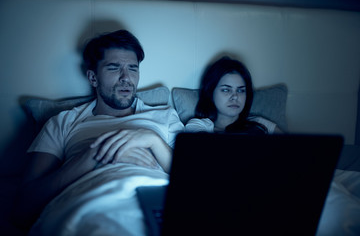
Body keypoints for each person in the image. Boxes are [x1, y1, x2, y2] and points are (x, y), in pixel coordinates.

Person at [12, 29, 184, 230]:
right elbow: (22, 210)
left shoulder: (165, 116)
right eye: (114, 68)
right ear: (93, 78)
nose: (126, 78)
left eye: (133, 68)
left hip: (163, 204)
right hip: (94, 206)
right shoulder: (64, 122)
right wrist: (94, 156)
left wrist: (152, 140)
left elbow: (199, 183)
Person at [185, 56, 279, 134]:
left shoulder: (259, 123)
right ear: (211, 92)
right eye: (226, 90)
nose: (235, 96)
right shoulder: (199, 125)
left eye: (241, 90)